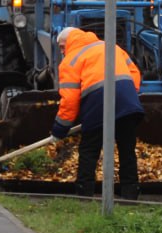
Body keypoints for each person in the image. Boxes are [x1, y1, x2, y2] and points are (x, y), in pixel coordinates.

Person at [51, 27, 144, 200]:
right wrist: (126, 97)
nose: (62, 51)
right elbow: (134, 74)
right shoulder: (111, 46)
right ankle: (130, 192)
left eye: (62, 47)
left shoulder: (71, 60)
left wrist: (59, 129)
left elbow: (69, 100)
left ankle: (84, 193)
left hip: (98, 104)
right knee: (127, 149)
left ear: (70, 41)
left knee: (89, 149)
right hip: (128, 103)